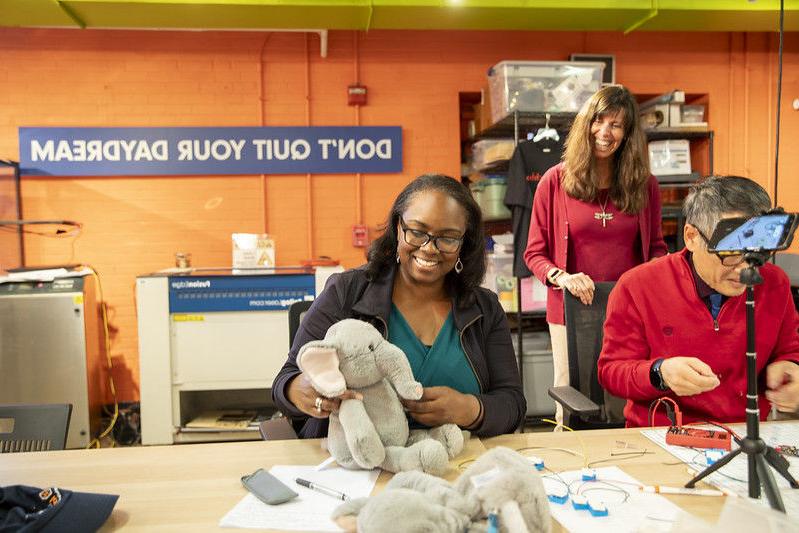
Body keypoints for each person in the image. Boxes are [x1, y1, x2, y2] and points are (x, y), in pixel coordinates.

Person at [272, 174, 526, 438]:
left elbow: (513, 404)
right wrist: (300, 389)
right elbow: (284, 382)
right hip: (359, 467)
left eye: (448, 238)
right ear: (397, 227)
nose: (429, 248)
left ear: (464, 243)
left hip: (457, 462)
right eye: (417, 232)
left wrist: (470, 409)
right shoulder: (346, 292)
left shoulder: (484, 309)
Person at [598, 176, 799, 427]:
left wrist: (790, 368)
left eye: (757, 252)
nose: (745, 269)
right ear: (692, 237)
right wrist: (660, 373)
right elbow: (611, 372)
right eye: (731, 253)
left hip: (747, 431)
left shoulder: (774, 283)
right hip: (664, 434)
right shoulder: (637, 286)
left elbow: (790, 349)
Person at [523, 85, 668, 424]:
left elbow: (657, 248)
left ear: (627, 133)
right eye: (598, 121)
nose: (605, 132)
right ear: (585, 125)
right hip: (570, 310)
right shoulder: (554, 182)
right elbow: (534, 253)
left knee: (625, 392)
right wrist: (563, 277)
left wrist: (656, 274)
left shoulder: (645, 185)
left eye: (616, 125)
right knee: (572, 392)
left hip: (627, 309)